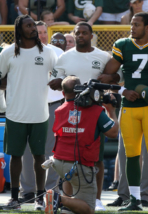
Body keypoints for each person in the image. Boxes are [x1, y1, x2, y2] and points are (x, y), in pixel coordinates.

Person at [101, 12, 148, 211]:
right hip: (129, 107)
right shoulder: (123, 44)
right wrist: (123, 90)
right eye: (132, 24)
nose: (132, 28)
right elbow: (108, 75)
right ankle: (133, 199)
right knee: (131, 155)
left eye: (137, 24)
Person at [47, 22, 112, 212]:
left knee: (96, 157)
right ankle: (66, 199)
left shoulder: (102, 56)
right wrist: (60, 83)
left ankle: (97, 198)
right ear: (73, 35)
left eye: (85, 32)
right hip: (71, 110)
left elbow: (115, 77)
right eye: (78, 33)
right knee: (68, 156)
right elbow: (56, 84)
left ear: (92, 35)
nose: (81, 35)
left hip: (94, 112)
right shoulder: (64, 57)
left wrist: (108, 80)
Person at [0, 15, 57, 210]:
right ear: (19, 30)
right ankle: (15, 198)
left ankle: (40, 198)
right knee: (15, 157)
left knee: (40, 157)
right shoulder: (8, 53)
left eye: (34, 25)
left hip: (40, 114)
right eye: (29, 26)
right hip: (14, 113)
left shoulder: (48, 52)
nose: (33, 29)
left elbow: (58, 74)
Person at [44, 76, 119, 214]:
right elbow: (113, 132)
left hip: (59, 162)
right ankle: (58, 199)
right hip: (80, 165)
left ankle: (64, 203)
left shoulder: (59, 110)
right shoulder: (95, 111)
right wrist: (111, 111)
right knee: (89, 209)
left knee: (71, 205)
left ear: (62, 93)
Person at [18, 20, 64, 207]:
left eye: (44, 32)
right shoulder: (20, 51)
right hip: (29, 105)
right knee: (27, 151)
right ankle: (28, 191)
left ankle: (50, 191)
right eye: (38, 31)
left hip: (53, 105)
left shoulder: (58, 52)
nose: (42, 35)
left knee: (53, 151)